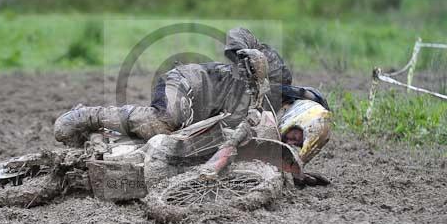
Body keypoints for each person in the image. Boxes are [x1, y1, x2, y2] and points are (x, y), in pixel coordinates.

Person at [54, 28, 330, 147]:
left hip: (196, 129)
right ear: (299, 117)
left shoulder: (268, 140)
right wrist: (243, 56)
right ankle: (86, 115)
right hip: (188, 84)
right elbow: (239, 33)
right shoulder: (277, 75)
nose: (292, 142)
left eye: (299, 145)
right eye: (297, 136)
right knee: (165, 121)